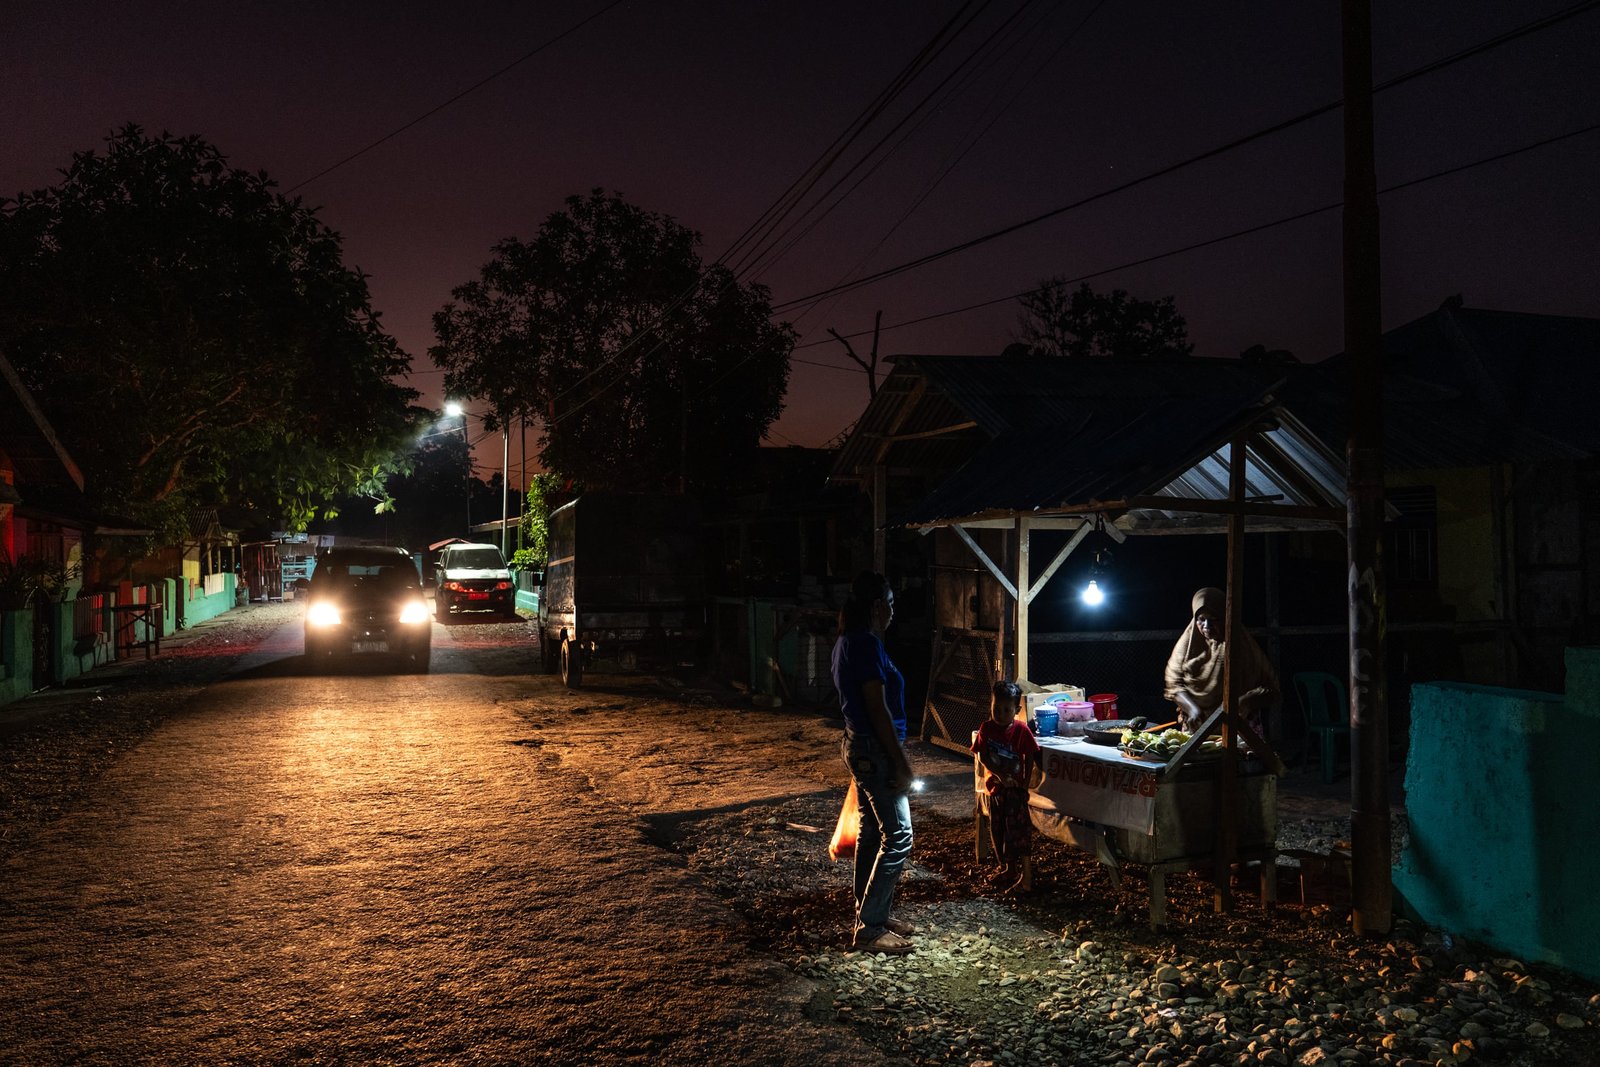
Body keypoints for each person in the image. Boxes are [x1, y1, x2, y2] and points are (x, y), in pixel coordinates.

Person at [832, 570, 916, 955]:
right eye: (892, 604)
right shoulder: (864, 644)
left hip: (859, 746)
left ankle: (870, 912)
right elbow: (877, 707)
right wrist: (900, 762)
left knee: (872, 832)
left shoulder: (848, 641)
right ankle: (869, 928)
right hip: (875, 750)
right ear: (879, 606)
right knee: (899, 836)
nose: (895, 612)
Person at [1163, 586, 1279, 738]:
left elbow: (1270, 685)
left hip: (1238, 724)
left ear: (1226, 617)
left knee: (1240, 761)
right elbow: (1173, 684)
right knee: (1201, 760)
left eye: (1214, 619)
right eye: (1201, 619)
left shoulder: (1241, 644)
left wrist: (1245, 701)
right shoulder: (1186, 646)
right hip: (1197, 724)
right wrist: (1192, 709)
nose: (1206, 626)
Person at [971, 679, 1040, 892]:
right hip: (997, 790)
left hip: (1016, 793)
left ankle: (1026, 878)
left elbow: (1030, 756)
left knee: (1019, 833)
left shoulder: (1021, 731)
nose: (1000, 714)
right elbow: (982, 756)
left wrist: (1025, 784)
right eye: (996, 709)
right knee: (999, 830)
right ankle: (1009, 868)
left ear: (1016, 710)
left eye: (1006, 710)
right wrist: (1000, 775)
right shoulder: (986, 728)